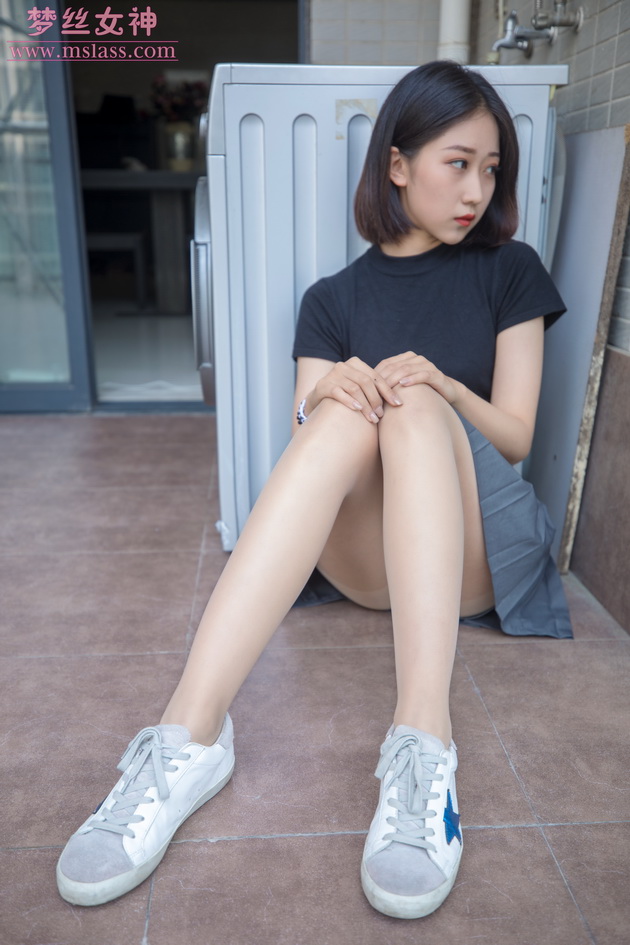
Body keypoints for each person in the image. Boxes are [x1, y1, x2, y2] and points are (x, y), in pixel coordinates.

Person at [56, 60, 572, 919]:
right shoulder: (330, 300)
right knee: (339, 408)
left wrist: (443, 385)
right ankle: (188, 735)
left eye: (491, 169)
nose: (477, 190)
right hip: (368, 562)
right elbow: (311, 429)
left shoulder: (508, 269)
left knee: (409, 399)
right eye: (458, 163)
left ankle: (424, 744)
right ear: (397, 164)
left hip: (477, 550)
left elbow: (516, 436)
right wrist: (328, 389)